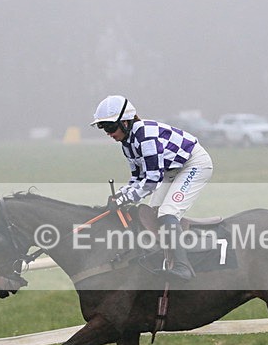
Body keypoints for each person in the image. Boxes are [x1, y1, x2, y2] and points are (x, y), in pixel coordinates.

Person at [90, 95, 214, 280]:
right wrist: (120, 196)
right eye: (102, 128)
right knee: (152, 214)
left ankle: (183, 267)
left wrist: (127, 198)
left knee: (167, 213)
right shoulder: (126, 143)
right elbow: (137, 178)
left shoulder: (145, 135)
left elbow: (152, 180)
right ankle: (163, 260)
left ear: (125, 121)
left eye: (109, 127)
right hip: (170, 171)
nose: (108, 132)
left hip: (194, 165)